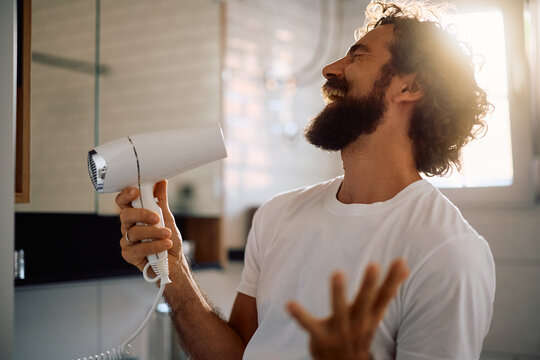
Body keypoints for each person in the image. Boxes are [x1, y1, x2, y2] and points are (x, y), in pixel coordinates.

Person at [115, 1, 495, 359]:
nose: (330, 68)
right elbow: (236, 354)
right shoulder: (277, 216)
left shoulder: (449, 253)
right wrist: (175, 270)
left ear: (410, 87)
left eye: (357, 56)